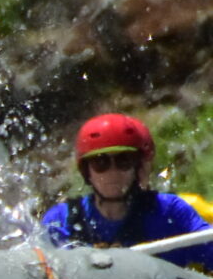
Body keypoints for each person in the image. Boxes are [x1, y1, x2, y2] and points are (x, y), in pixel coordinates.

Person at [39, 113, 213, 270]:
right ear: (87, 171)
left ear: (137, 166)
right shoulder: (62, 220)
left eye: (123, 161)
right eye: (100, 163)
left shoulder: (169, 212)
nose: (112, 172)